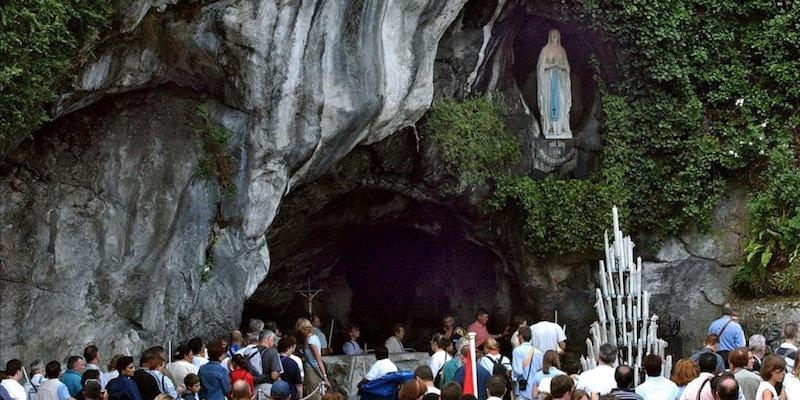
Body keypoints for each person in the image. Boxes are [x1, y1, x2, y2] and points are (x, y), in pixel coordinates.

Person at [536, 29, 572, 139]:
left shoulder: (562, 50)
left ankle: (561, 128)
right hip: (548, 82)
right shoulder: (545, 50)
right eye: (552, 35)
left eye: (556, 35)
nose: (554, 37)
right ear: (549, 36)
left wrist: (560, 66)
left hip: (560, 82)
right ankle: (550, 128)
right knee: (548, 103)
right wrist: (552, 65)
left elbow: (567, 67)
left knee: (562, 102)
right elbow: (540, 67)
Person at [298, 317, 329, 400]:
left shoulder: (310, 340)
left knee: (314, 394)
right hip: (313, 367)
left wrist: (324, 376)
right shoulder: (314, 337)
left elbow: (317, 359)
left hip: (312, 369)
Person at [513, 326, 543, 400]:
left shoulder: (517, 351)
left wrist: (511, 374)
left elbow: (518, 371)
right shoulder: (538, 352)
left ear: (520, 336)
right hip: (535, 389)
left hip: (523, 390)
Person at [254, 330, 284, 397]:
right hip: (267, 389)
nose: (273, 343)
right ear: (269, 339)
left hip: (252, 388)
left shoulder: (250, 351)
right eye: (273, 339)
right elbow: (274, 376)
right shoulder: (272, 352)